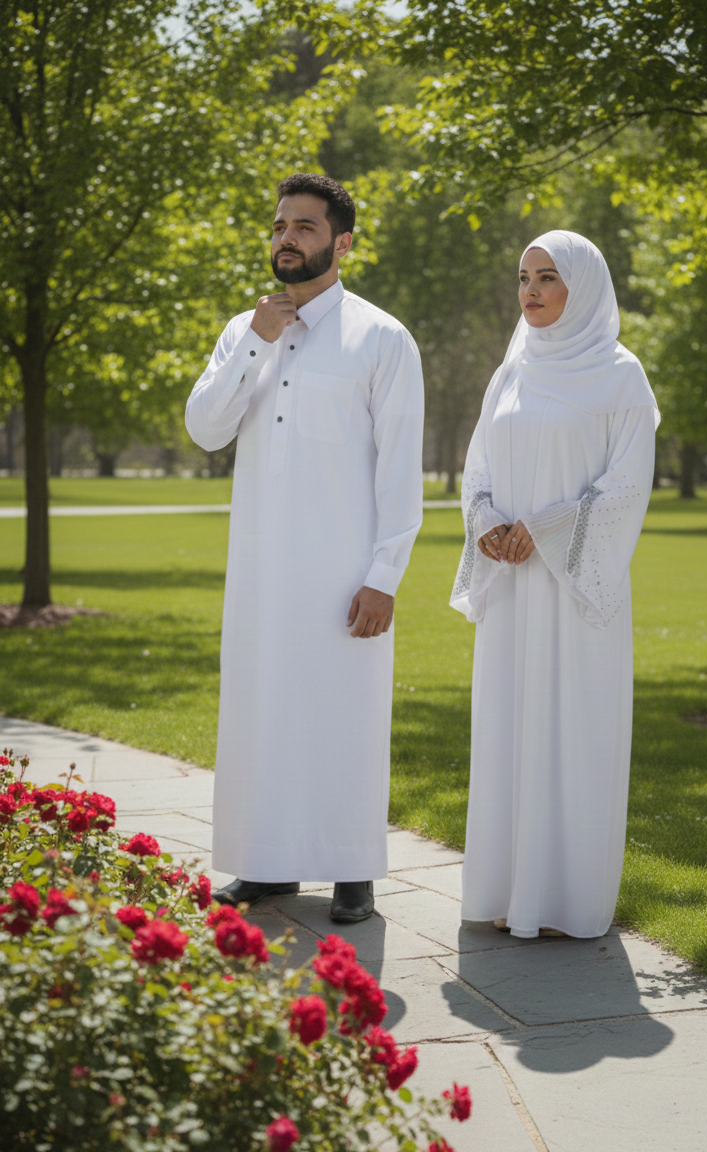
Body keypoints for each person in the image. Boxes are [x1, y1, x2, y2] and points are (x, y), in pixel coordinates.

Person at [185, 174, 424, 923]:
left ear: (342, 243)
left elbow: (399, 471)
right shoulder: (242, 328)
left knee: (345, 714)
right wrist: (256, 341)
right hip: (259, 568)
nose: (287, 238)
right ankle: (266, 864)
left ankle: (353, 869)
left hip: (343, 572)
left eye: (306, 227)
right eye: (281, 225)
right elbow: (204, 428)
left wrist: (384, 575)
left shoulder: (382, 338)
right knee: (261, 712)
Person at [450, 230, 659, 939]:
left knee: (574, 731)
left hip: (574, 594)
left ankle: (567, 903)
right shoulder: (510, 372)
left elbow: (627, 487)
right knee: (510, 728)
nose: (530, 290)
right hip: (512, 588)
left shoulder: (621, 374)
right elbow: (476, 468)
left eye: (548, 277)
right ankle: (506, 892)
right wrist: (486, 522)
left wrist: (540, 527)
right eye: (523, 277)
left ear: (585, 286)